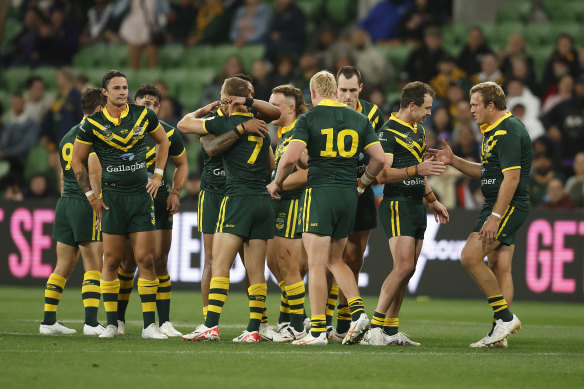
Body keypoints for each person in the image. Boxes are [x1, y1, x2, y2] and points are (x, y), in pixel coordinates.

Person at [267, 71, 386, 345]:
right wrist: (364, 182)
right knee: (335, 260)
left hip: (320, 193)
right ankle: (357, 311)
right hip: (349, 195)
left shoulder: (309, 118)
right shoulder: (359, 118)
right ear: (336, 91)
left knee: (318, 264)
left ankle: (318, 331)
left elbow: (290, 158)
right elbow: (379, 158)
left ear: (314, 93)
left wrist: (276, 183)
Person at [428, 81, 531, 348]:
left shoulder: (508, 131)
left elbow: (512, 178)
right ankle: (500, 335)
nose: (471, 110)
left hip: (507, 205)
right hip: (496, 203)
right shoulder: (492, 131)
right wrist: (454, 161)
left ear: (491, 106)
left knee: (470, 256)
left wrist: (495, 217)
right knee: (500, 266)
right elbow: (487, 172)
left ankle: (505, 318)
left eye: (475, 105)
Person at [71, 70, 170, 339]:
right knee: (112, 260)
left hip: (140, 197)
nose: (123, 92)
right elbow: (76, 161)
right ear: (105, 92)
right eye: (116, 88)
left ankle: (149, 326)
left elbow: (163, 141)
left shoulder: (143, 115)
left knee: (145, 259)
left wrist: (158, 175)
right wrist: (92, 196)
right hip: (112, 199)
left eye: (125, 87)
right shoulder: (92, 124)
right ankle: (112, 324)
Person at [178, 77, 276, 342]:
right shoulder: (262, 124)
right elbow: (271, 164)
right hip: (262, 199)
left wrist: (203, 111)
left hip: (236, 199)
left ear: (228, 98)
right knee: (256, 271)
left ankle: (211, 324)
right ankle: (254, 329)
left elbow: (183, 124)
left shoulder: (224, 121)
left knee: (219, 264)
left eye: (223, 96)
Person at [365, 81, 448, 346]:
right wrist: (416, 171)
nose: (429, 113)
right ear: (411, 105)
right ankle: (374, 328)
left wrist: (432, 199)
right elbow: (381, 175)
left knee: (408, 270)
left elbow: (419, 169)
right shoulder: (387, 133)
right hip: (397, 203)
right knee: (403, 266)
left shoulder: (419, 132)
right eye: (426, 107)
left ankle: (390, 329)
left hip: (416, 204)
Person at [115, 84, 188, 337]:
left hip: (158, 199)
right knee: (126, 263)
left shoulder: (168, 132)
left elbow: (182, 164)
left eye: (156, 105)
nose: (152, 109)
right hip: (127, 199)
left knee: (159, 261)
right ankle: (118, 320)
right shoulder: (121, 131)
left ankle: (164, 322)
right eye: (146, 104)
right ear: (135, 105)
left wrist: (176, 192)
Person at [40, 88, 106, 336]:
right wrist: (98, 203)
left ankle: (48, 321)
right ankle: (91, 323)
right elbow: (94, 171)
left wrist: (66, 199)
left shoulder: (67, 135)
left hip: (65, 202)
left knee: (63, 265)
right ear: (99, 109)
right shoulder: (93, 134)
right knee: (93, 265)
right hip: (85, 203)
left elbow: (61, 174)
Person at [327, 66, 384, 343]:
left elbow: (381, 155)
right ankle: (322, 321)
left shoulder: (373, 114)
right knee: (325, 259)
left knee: (354, 259)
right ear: (335, 89)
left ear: (361, 88)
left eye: (352, 90)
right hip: (332, 190)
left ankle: (343, 323)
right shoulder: (326, 111)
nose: (347, 95)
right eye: (343, 90)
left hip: (361, 192)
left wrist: (364, 183)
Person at [266, 84, 309, 342]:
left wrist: (277, 183)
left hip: (293, 205)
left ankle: (297, 323)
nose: (271, 109)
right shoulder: (284, 133)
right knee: (275, 263)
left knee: (290, 266)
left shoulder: (298, 134)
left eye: (276, 105)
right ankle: (293, 317)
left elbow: (308, 172)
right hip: (280, 204)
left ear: (291, 108)